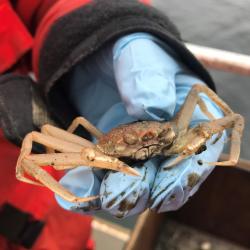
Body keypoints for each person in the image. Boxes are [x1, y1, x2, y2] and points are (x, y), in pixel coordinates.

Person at [0, 0, 225, 242]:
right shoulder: (91, 150)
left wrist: (108, 24)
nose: (145, 144)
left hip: (55, 228)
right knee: (39, 139)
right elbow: (35, 143)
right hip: (51, 187)